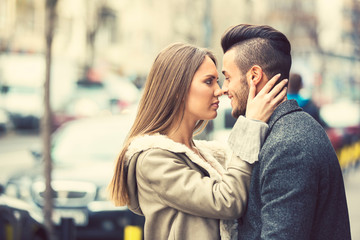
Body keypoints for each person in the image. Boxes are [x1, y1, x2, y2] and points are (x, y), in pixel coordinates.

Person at [108, 42, 288, 240]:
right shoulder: (151, 159)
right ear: (177, 89)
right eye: (209, 81)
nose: (219, 90)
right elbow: (227, 201)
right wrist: (251, 125)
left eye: (219, 80)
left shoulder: (206, 155)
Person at [220, 24, 351, 239]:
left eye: (227, 77)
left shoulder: (289, 144)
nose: (224, 88)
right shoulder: (280, 132)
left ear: (254, 76)